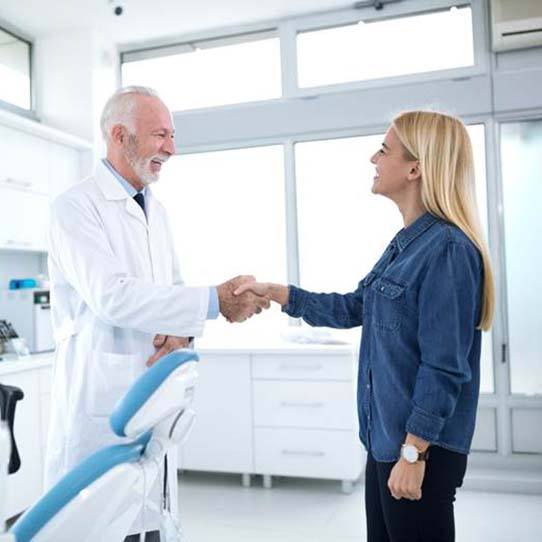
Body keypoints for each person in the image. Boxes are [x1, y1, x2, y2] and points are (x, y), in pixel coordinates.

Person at [235, 110, 494, 542]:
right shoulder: (405, 245)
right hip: (388, 442)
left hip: (418, 450)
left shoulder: (447, 249)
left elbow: (445, 366)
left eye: (384, 149)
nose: (373, 157)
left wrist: (414, 452)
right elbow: (354, 307)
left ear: (415, 168)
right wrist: (278, 293)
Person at [45, 86, 269, 541]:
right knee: (103, 525)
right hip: (101, 401)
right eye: (161, 135)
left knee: (150, 522)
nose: (171, 148)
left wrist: (182, 332)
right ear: (120, 135)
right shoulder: (75, 207)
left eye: (172, 135)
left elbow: (171, 289)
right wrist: (213, 302)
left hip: (151, 396)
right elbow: (112, 295)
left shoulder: (156, 210)